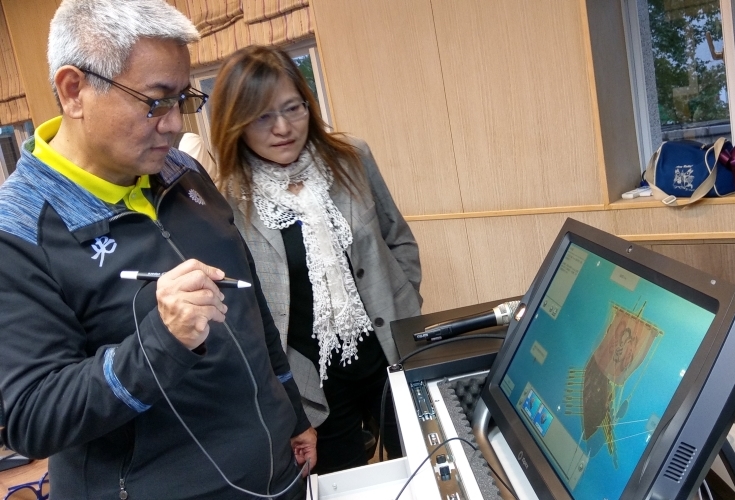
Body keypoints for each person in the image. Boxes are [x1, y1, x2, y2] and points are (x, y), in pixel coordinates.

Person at [0, 1, 316, 499]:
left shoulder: (181, 171)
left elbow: (249, 304)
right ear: (74, 90)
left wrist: (292, 413)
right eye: (155, 102)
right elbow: (33, 418)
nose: (173, 125)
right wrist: (161, 342)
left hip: (277, 474)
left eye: (181, 99)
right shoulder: (17, 231)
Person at [210, 45, 423, 474]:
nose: (283, 128)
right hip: (313, 382)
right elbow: (244, 312)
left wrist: (407, 300)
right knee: (344, 483)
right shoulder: (228, 200)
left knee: (426, 463)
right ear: (235, 124)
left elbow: (398, 238)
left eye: (293, 108)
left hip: (391, 349)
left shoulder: (351, 157)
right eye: (262, 117)